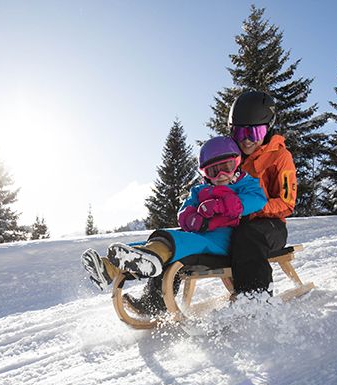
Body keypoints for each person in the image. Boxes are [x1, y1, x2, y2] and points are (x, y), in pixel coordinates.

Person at [81, 136, 266, 311]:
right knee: (165, 240)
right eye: (213, 171)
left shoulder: (245, 184)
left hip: (223, 240)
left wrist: (221, 205)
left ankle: (148, 259)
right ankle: (109, 269)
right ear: (205, 173)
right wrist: (192, 218)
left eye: (227, 166)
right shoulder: (199, 190)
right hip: (201, 236)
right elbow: (184, 212)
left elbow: (257, 200)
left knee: (175, 242)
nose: (221, 175)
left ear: (237, 162)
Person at [227, 90, 297, 297]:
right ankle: (155, 301)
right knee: (191, 235)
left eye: (254, 133)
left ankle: (256, 299)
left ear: (267, 130)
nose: (246, 141)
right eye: (240, 133)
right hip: (234, 223)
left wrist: (254, 207)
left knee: (247, 236)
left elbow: (286, 204)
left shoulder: (280, 157)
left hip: (271, 227)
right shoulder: (230, 155)